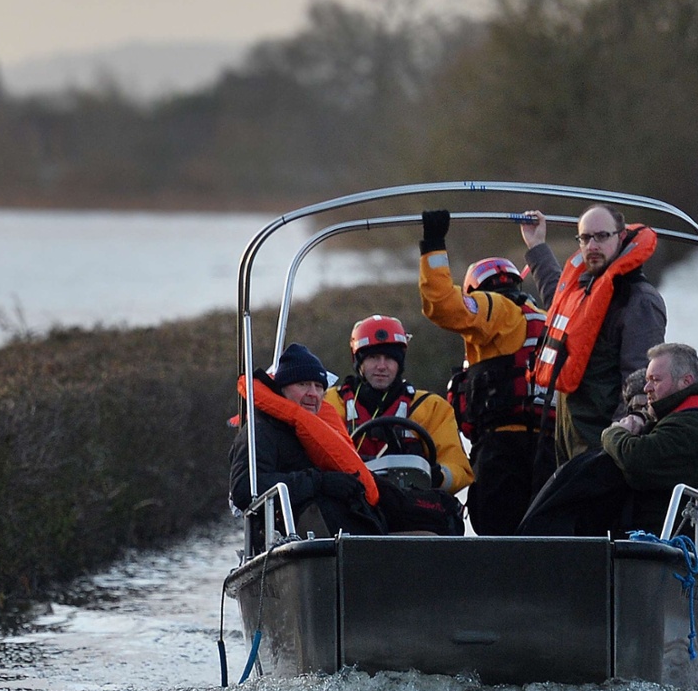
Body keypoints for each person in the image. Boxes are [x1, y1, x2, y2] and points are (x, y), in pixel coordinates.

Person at [517, 342, 698, 561]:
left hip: (684, 549)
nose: (647, 388)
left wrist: (615, 432)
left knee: (600, 469)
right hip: (682, 541)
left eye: (655, 380)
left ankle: (535, 549)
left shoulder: (693, 423)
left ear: (686, 382)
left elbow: (636, 461)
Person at [415, 208, 548, 536]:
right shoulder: (545, 318)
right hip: (550, 449)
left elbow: (444, 306)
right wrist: (540, 246)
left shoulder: (496, 310)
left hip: (504, 451)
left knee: (494, 537)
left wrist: (433, 245)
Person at [520, 204, 667, 464]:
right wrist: (537, 246)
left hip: (599, 447)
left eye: (601, 236)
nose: (592, 245)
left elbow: (641, 381)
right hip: (569, 439)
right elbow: (559, 299)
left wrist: (614, 448)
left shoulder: (639, 301)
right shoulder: (587, 287)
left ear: (621, 237)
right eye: (585, 238)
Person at [228, 343, 385, 553]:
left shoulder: (313, 430)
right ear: (282, 389)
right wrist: (319, 482)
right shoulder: (260, 431)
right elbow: (244, 489)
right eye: (303, 384)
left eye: (319, 386)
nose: (313, 393)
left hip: (335, 538)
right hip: (287, 544)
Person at [323, 314, 474, 494]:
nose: (381, 366)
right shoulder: (329, 402)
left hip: (411, 506)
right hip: (349, 503)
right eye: (373, 358)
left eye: (389, 358)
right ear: (359, 363)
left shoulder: (431, 407)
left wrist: (435, 476)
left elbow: (459, 468)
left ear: (400, 363)